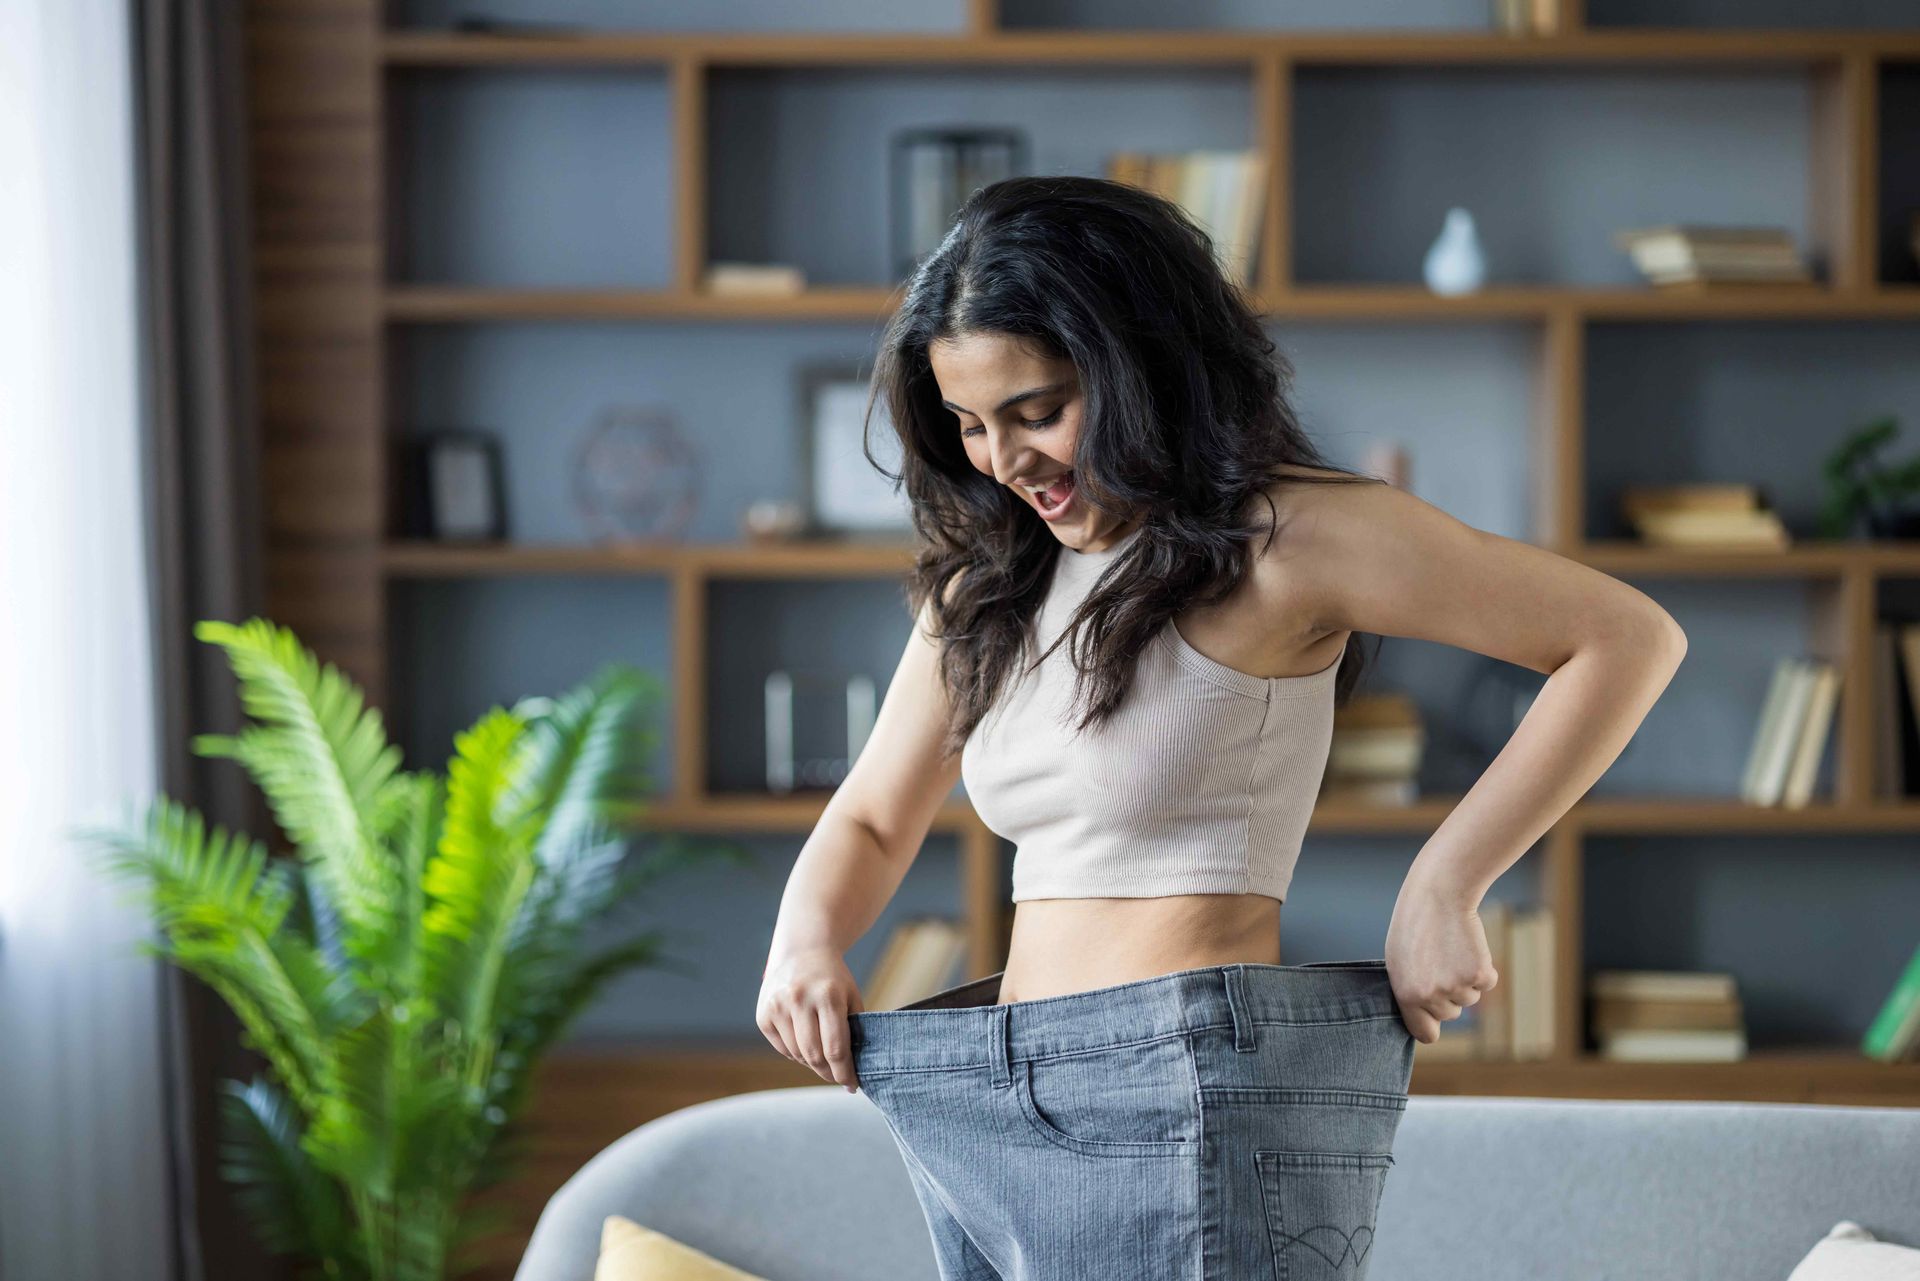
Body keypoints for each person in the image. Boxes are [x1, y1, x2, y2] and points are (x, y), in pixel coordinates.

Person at [756, 174, 1685, 1278]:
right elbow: (871, 814)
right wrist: (805, 937)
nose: (1005, 462)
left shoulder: (1285, 541)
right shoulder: (990, 585)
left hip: (1186, 1086)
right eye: (969, 425)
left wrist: (1448, 883)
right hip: (992, 1094)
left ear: (1141, 365)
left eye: (1038, 411)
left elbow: (1624, 639)